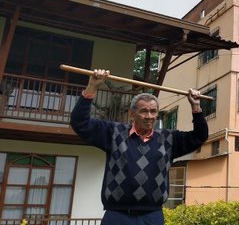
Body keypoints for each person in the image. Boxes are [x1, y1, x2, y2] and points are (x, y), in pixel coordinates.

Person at [70, 69, 208, 225]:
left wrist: (196, 107)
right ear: (132, 114)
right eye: (143, 111)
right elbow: (79, 123)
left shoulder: (169, 139)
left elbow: (199, 136)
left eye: (153, 111)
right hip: (117, 216)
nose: (149, 116)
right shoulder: (114, 133)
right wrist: (92, 87)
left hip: (152, 217)